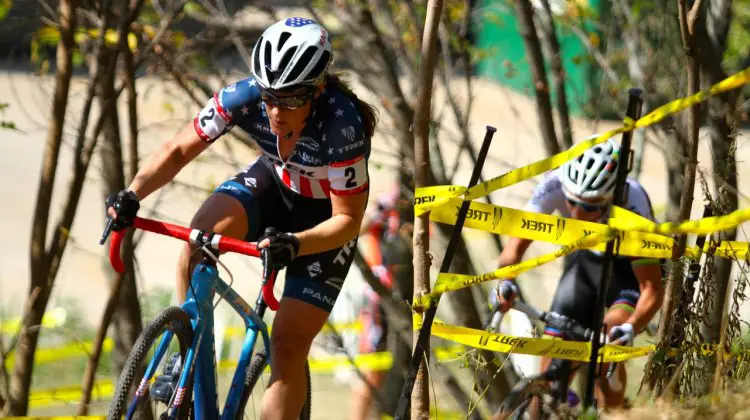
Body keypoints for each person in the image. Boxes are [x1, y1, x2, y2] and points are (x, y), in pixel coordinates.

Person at [104, 17, 378, 420]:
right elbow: (179, 150)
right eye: (269, 97)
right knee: (199, 239)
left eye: (289, 101)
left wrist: (297, 243)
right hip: (274, 183)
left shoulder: (341, 125)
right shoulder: (244, 97)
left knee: (287, 345)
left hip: (324, 221)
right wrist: (133, 193)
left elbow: (349, 219)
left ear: (317, 90)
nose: (274, 111)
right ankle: (189, 359)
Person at [493, 137, 664, 409]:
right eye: (572, 202)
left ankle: (612, 410)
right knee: (547, 373)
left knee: (607, 342)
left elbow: (652, 289)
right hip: (585, 265)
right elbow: (512, 252)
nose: (578, 213)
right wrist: (505, 283)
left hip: (627, 272)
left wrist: (631, 327)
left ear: (611, 197)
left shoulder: (633, 201)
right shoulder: (552, 184)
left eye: (592, 207)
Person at [350, 184, 411, 419]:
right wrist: (379, 208)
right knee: (372, 365)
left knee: (394, 370)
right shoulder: (388, 202)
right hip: (377, 297)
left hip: (406, 296)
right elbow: (359, 228)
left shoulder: (420, 206)